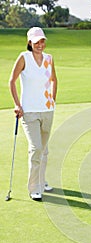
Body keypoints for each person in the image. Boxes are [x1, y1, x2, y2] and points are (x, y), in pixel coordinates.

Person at [9, 27, 57, 201]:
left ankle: (41, 181)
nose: (40, 44)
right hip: (28, 111)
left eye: (42, 41)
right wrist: (17, 104)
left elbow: (53, 80)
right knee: (36, 148)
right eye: (36, 41)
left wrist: (53, 99)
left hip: (47, 110)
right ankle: (34, 187)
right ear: (30, 42)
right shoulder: (24, 58)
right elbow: (12, 81)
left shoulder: (49, 59)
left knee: (44, 150)